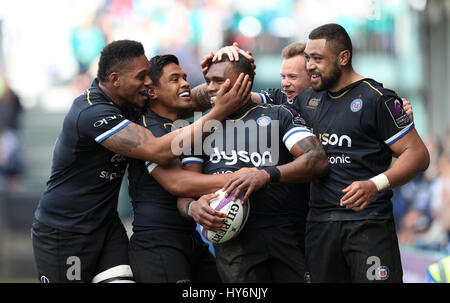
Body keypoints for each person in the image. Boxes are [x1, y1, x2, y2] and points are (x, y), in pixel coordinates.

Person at [31, 39, 252, 283]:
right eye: (141, 76)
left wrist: (224, 70)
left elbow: (187, 98)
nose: (148, 82)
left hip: (106, 226)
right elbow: (156, 150)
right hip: (65, 230)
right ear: (116, 80)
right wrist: (218, 114)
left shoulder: (132, 103)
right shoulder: (92, 112)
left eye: (149, 75)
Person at [248, 23, 430, 282]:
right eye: (308, 58)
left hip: (368, 224)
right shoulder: (304, 100)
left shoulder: (378, 98)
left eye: (317, 58)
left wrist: (374, 184)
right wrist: (237, 63)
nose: (310, 65)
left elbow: (418, 154)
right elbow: (246, 99)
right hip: (320, 227)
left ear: (343, 58)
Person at [177, 53, 328, 282]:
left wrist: (266, 175)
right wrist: (192, 208)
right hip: (232, 243)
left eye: (218, 81)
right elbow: (184, 193)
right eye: (208, 81)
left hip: (287, 234)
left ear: (244, 82)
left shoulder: (279, 114)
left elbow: (317, 159)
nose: (209, 88)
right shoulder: (199, 129)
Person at [128, 54, 254, 283]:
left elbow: (217, 89)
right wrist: (238, 178)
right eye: (174, 79)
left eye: (185, 77)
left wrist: (227, 55)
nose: (185, 83)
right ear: (152, 91)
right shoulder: (147, 128)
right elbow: (178, 183)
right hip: (158, 243)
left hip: (192, 237)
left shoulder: (186, 125)